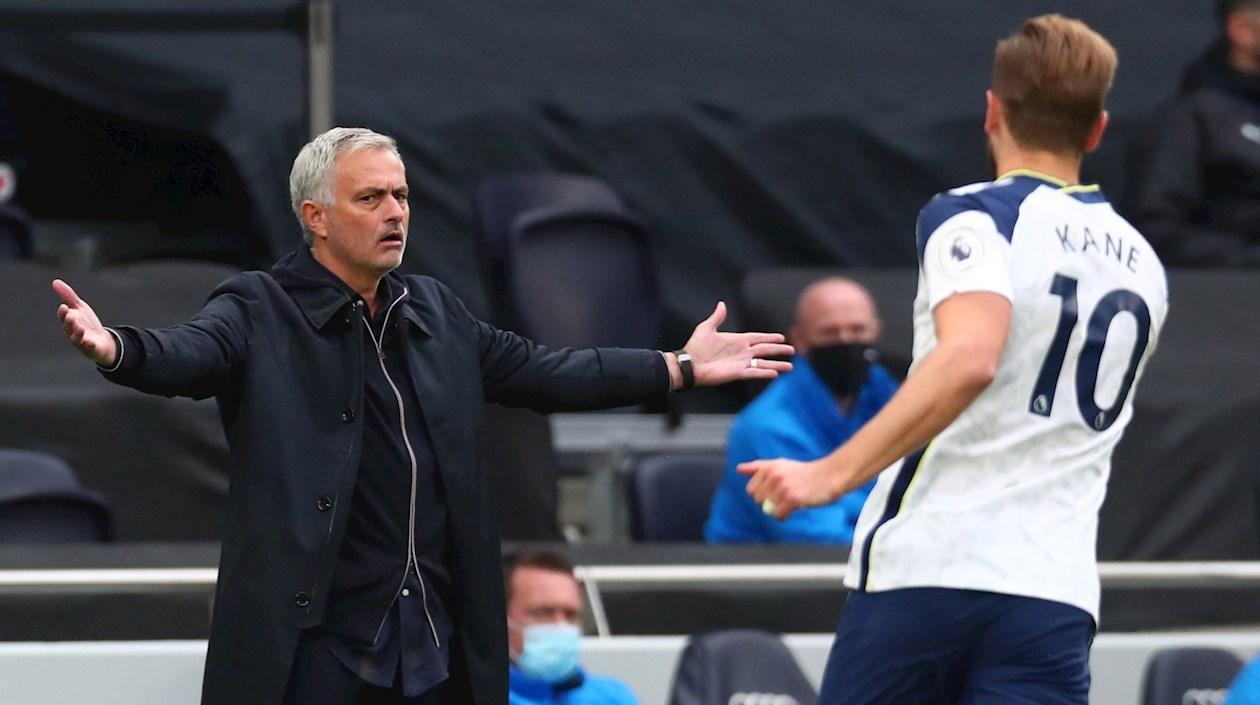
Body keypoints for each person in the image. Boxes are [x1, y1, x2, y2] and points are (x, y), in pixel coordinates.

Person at [52, 127, 793, 705]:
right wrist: (117, 347)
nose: (395, 212)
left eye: (401, 195)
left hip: (433, 645)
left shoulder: (436, 311)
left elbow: (547, 370)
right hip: (318, 649)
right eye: (370, 198)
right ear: (315, 216)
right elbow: (186, 355)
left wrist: (679, 365)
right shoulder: (258, 307)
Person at [741, 15, 1168, 705]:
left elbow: (971, 355)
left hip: (932, 571)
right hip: (1052, 595)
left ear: (992, 110)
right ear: (1097, 130)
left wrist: (828, 473)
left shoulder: (975, 216)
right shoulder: (1145, 263)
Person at [705, 277, 898, 544]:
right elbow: (818, 537)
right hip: (769, 576)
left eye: (857, 331)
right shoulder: (768, 426)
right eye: (830, 333)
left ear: (876, 331)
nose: (845, 342)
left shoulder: (884, 393)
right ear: (800, 339)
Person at [1129, 0, 1260, 267]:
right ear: (1243, 29)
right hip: (1230, 295)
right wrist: (1249, 260)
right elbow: (1156, 228)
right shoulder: (1192, 118)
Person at [504, 548, 638, 705]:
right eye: (542, 613)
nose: (560, 626)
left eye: (570, 615)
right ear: (500, 620)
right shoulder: (480, 698)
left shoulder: (613, 698)